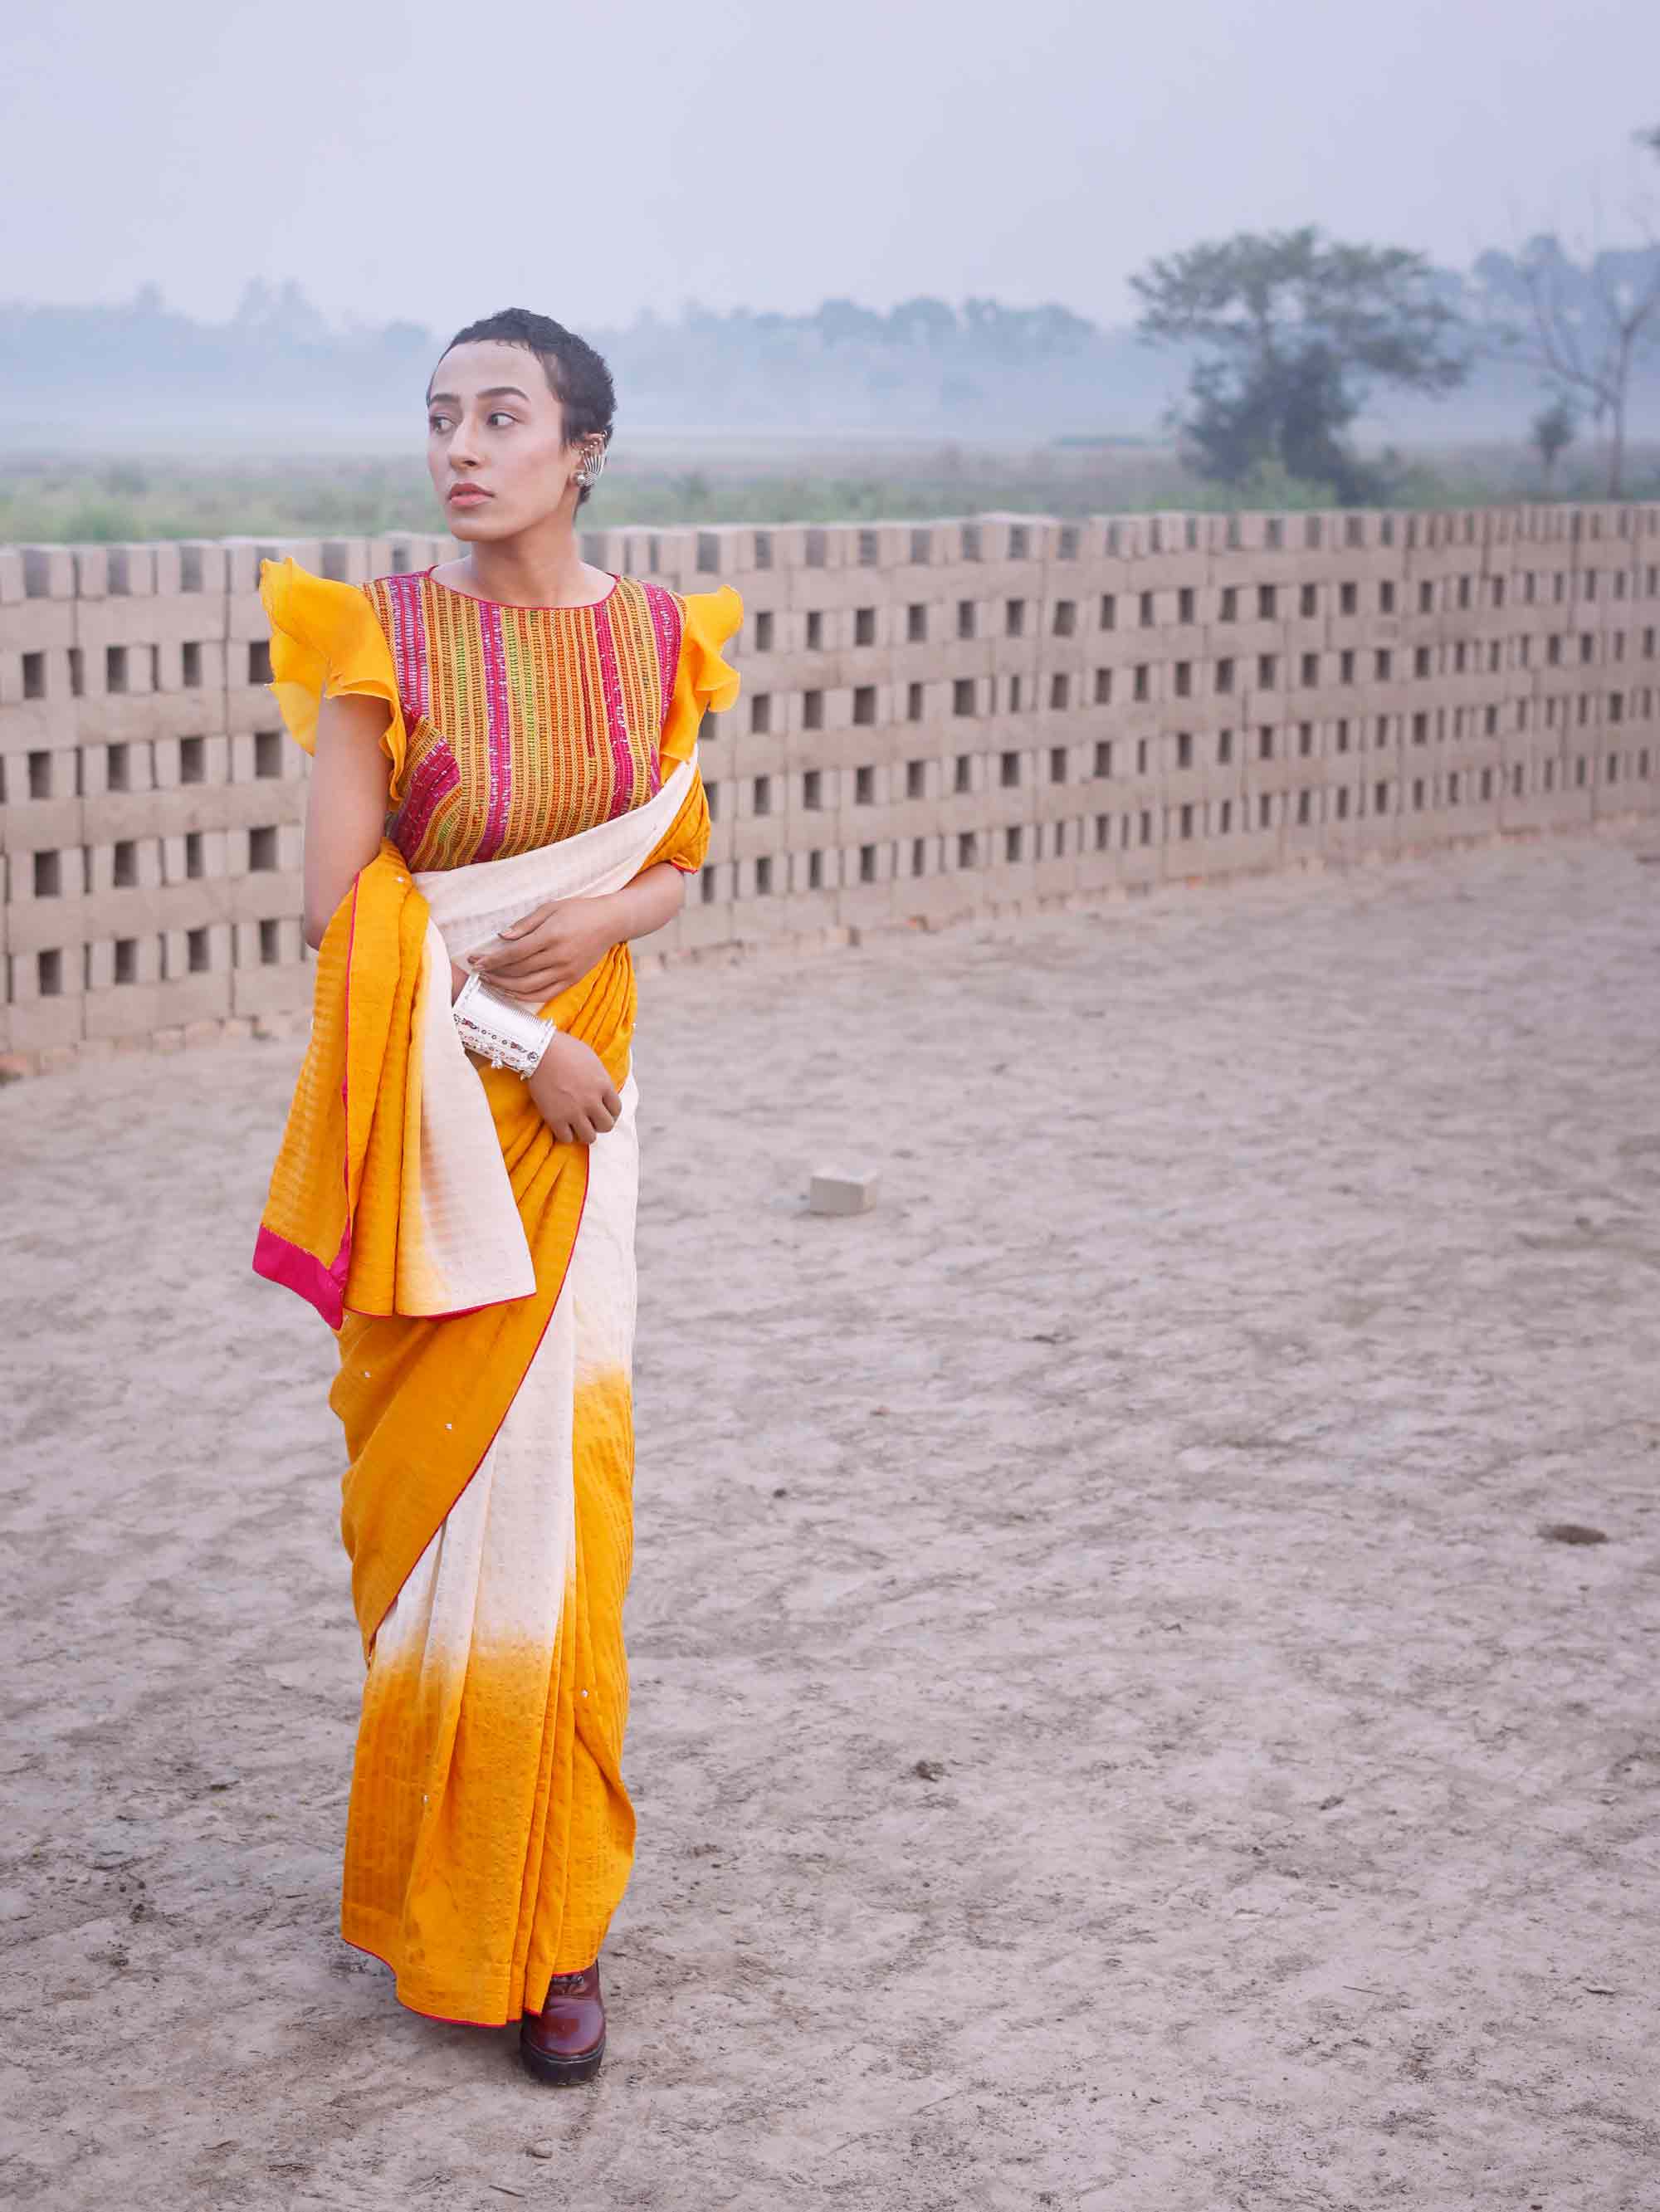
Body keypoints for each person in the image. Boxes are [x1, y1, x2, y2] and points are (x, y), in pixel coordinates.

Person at [250, 306, 741, 2084]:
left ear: (582, 447)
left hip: (587, 1135)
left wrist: (605, 924)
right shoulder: (375, 640)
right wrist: (512, 1039)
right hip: (449, 1126)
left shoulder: (657, 643)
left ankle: (559, 1932)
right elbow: (344, 914)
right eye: (440, 415)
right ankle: (445, 1902)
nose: (461, 445)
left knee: (567, 1508)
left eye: (502, 414)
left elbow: (673, 859)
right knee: (452, 1514)